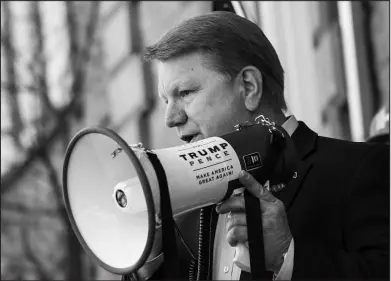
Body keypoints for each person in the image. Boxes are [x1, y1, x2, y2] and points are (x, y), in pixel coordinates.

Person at [128, 11, 389, 280]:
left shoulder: (361, 169)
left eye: (185, 93)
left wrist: (287, 258)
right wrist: (150, 257)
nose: (171, 119)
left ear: (249, 87)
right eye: (165, 101)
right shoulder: (187, 216)